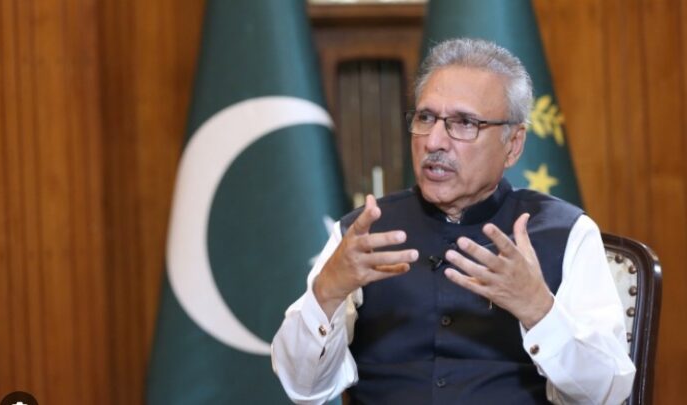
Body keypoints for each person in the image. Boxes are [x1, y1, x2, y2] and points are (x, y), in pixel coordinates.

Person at [271, 38, 635, 404]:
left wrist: (538, 309)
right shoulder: (364, 234)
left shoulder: (564, 232)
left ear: (513, 144)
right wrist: (327, 292)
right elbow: (304, 389)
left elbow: (608, 393)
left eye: (464, 123)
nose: (434, 141)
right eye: (425, 118)